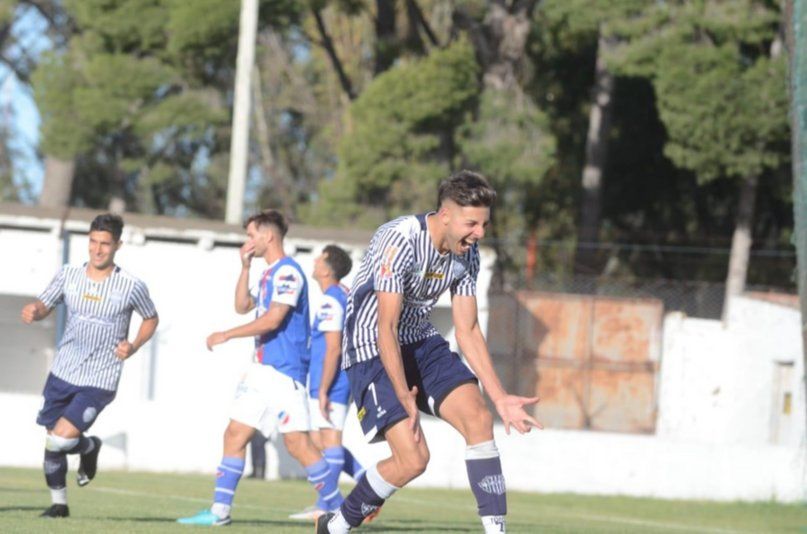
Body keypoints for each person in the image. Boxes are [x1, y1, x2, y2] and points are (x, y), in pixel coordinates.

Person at [317, 171, 542, 534]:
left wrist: (500, 396)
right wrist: (403, 394)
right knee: (413, 460)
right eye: (472, 224)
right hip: (371, 345)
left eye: (484, 224)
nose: (480, 233)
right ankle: (336, 525)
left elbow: (468, 329)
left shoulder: (467, 255)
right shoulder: (400, 239)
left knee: (479, 418)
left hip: (419, 339)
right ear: (446, 215)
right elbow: (386, 327)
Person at [177, 210, 342, 527]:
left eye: (252, 235)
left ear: (268, 236)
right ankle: (219, 512)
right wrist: (245, 266)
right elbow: (242, 306)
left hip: (284, 372)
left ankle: (341, 509)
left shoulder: (288, 273)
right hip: (261, 371)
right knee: (234, 434)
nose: (248, 241)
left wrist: (227, 334)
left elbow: (273, 319)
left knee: (298, 444)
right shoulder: (269, 274)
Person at [21, 213, 158, 519]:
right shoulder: (68, 275)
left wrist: (133, 345)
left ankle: (86, 448)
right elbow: (45, 304)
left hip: (100, 377)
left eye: (105, 244)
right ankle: (60, 504)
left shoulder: (131, 286)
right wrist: (34, 310)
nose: (97, 250)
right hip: (63, 371)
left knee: (60, 438)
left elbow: (151, 318)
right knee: (53, 440)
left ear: (117, 245)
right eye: (93, 242)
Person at [294, 245, 366, 519]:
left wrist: (324, 389)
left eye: (320, 258)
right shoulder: (340, 295)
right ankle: (364, 478)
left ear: (327, 270)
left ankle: (326, 507)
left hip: (332, 380)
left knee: (330, 439)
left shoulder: (331, 300)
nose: (315, 261)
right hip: (329, 378)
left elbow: (333, 348)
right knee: (318, 440)